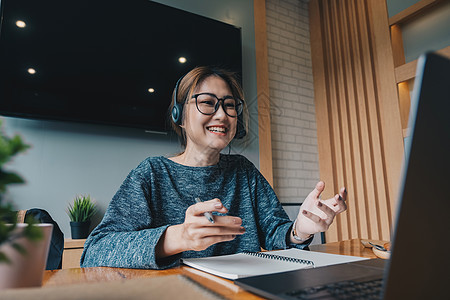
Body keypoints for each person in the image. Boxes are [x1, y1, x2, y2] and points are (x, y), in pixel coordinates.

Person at [80, 66, 347, 269]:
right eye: (208, 103)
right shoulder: (152, 173)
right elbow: (94, 251)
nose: (222, 115)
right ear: (180, 116)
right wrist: (178, 237)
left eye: (230, 106)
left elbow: (277, 234)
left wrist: (300, 229)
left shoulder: (244, 171)